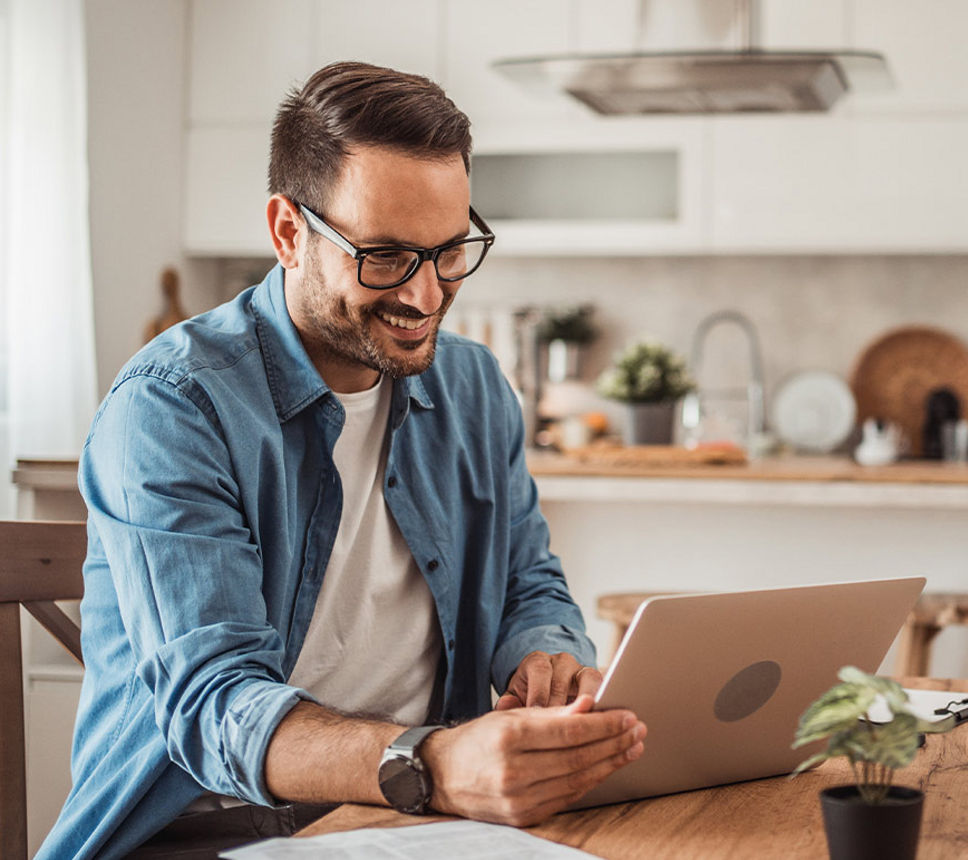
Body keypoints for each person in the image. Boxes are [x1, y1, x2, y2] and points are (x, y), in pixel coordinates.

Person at [39, 61, 645, 860]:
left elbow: (526, 582)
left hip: (412, 826)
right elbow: (215, 708)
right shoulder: (172, 406)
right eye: (386, 256)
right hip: (203, 832)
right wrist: (432, 763)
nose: (426, 296)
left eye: (450, 250)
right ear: (289, 233)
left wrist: (548, 658)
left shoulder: (472, 387)